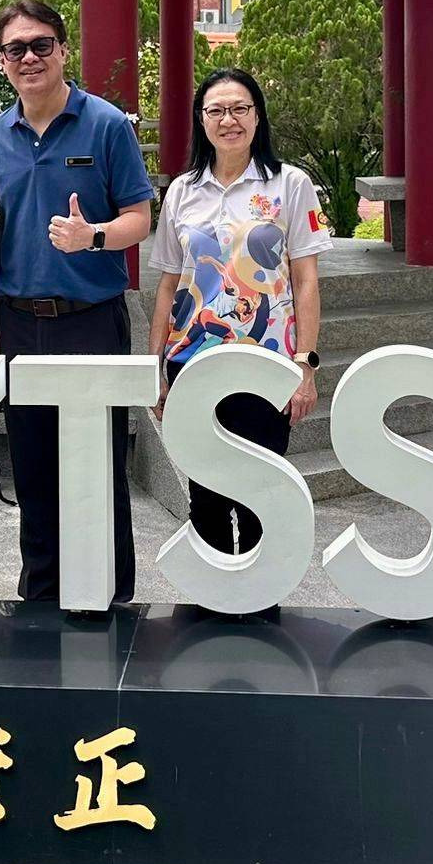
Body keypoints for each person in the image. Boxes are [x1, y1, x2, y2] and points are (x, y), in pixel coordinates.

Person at [0, 0, 153, 605]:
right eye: (15, 49)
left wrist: (93, 236)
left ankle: (111, 597)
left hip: (91, 322)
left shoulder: (106, 125)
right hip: (21, 324)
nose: (29, 58)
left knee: (99, 468)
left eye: (41, 45)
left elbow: (139, 218)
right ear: (2, 60)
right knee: (32, 471)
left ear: (63, 50)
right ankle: (41, 599)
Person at [147, 68, 330, 554]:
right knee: (204, 499)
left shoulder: (290, 184)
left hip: (266, 364)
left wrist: (305, 364)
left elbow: (306, 281)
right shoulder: (182, 191)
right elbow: (168, 285)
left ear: (257, 116)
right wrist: (153, 367)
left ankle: (259, 597)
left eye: (239, 109)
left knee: (260, 499)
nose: (228, 120)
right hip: (193, 364)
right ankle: (215, 594)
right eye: (216, 110)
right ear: (201, 120)